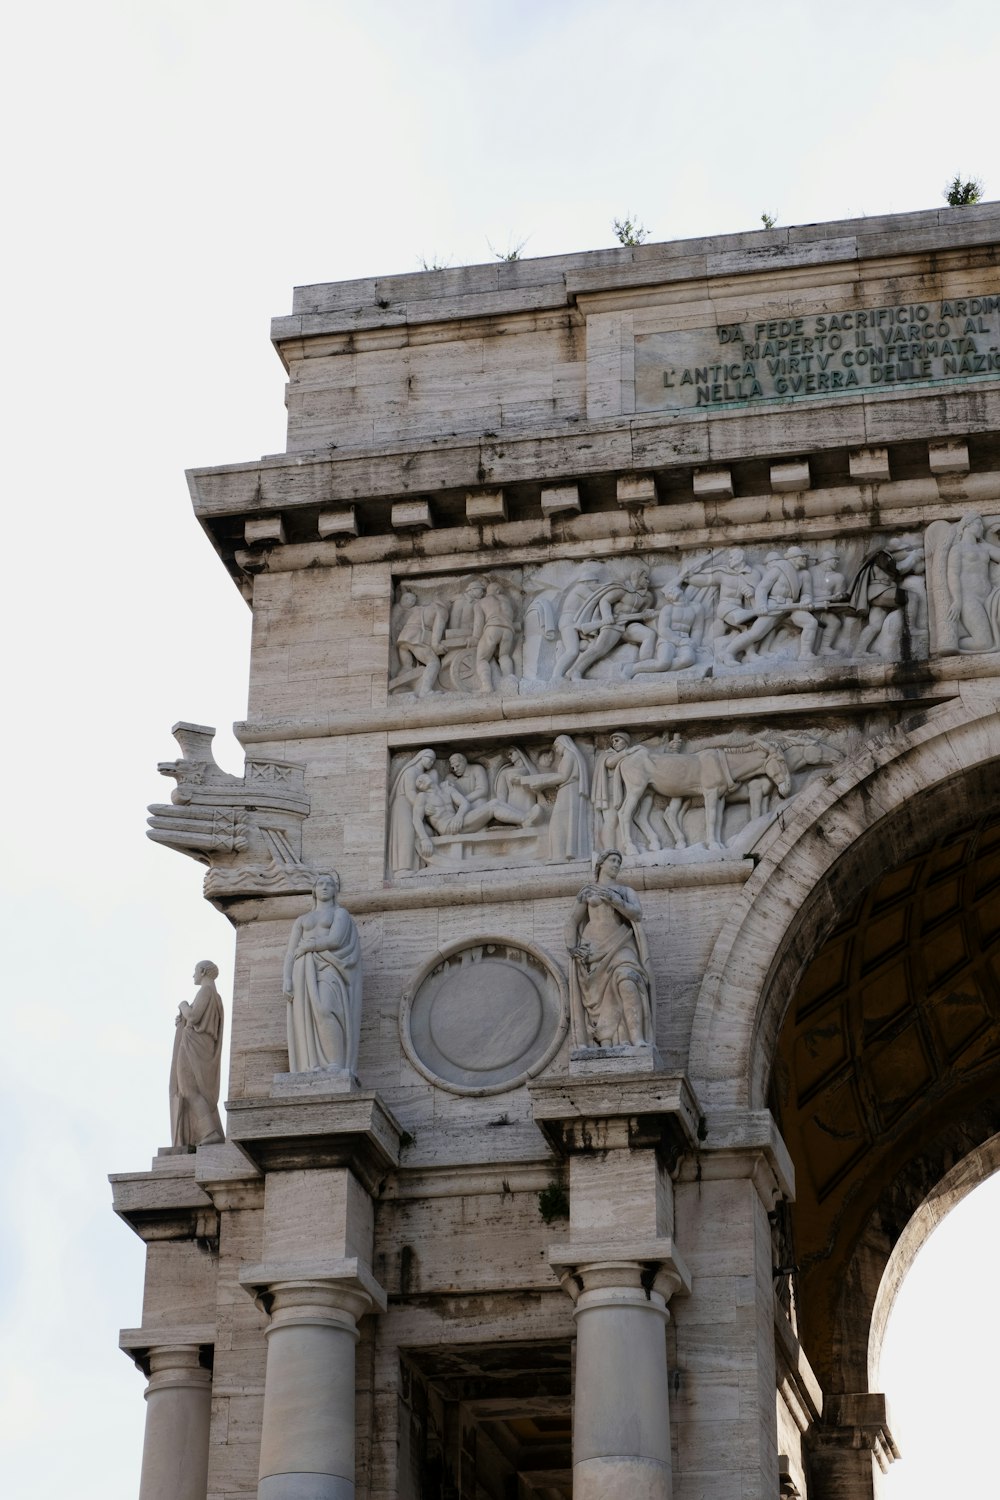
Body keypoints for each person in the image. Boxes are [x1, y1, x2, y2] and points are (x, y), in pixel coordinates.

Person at [565, 850, 654, 1048]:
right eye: (612, 860)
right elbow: (572, 921)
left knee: (628, 980)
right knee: (598, 998)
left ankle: (637, 1038)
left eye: (619, 862)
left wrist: (616, 900)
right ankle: (606, 1039)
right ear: (601, 864)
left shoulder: (625, 891)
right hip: (593, 949)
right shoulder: (588, 891)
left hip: (620, 943)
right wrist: (572, 947)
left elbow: (637, 915)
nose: (616, 865)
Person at [282, 872, 362, 1075]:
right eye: (320, 883)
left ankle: (335, 1062)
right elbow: (291, 951)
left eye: (330, 884)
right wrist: (286, 978)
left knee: (326, 1008)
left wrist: (311, 945)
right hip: (302, 968)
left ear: (336, 891)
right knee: (306, 1016)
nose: (325, 886)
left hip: (330, 966)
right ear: (314, 890)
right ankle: (310, 1065)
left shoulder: (340, 914)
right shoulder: (302, 919)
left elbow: (335, 940)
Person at [410, 772, 542, 862]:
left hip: (458, 821)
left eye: (422, 777)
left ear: (431, 777)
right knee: (493, 807)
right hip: (447, 828)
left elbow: (464, 803)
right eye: (418, 782)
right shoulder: (423, 797)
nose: (421, 780)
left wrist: (459, 816)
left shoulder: (447, 790)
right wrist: (424, 839)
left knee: (494, 802)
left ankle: (525, 818)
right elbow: (416, 819)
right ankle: (525, 820)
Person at [169, 961, 225, 1150]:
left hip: (195, 1045)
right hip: (202, 1045)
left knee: (189, 1090)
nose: (193, 975)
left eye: (194, 971)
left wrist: (184, 1005)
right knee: (192, 1090)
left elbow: (193, 1017)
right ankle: (207, 1131)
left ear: (202, 971)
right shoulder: (215, 996)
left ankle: (210, 1132)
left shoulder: (206, 992)